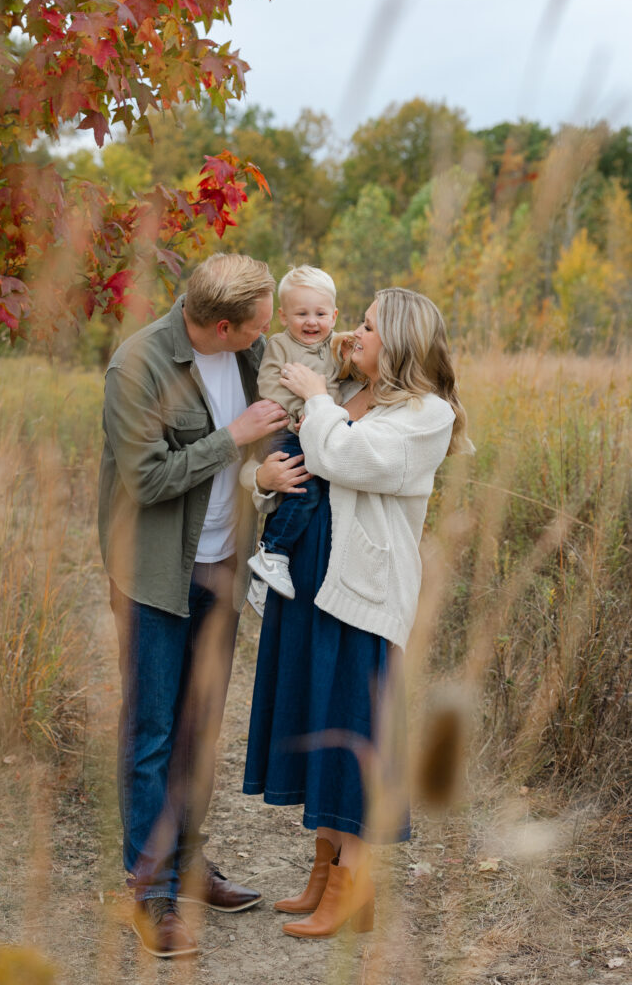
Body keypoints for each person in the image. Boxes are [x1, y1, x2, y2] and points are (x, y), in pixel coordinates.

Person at [241, 287, 473, 939]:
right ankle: (323, 871)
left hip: (363, 593)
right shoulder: (353, 393)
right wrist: (323, 392)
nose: (355, 333)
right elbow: (302, 451)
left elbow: (341, 457)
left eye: (368, 326)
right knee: (322, 720)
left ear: (396, 341)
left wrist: (317, 396)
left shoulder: (426, 413)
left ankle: (354, 889)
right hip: (316, 582)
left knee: (353, 727)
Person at [98, 253, 290, 959]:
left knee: (200, 728)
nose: (264, 338)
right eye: (256, 327)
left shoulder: (252, 355)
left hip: (223, 569)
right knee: (151, 731)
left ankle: (188, 863)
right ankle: (150, 892)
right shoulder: (137, 366)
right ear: (218, 324)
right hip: (153, 574)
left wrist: (262, 469)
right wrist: (232, 440)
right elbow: (147, 480)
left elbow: (282, 409)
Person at [247, 265, 343, 603]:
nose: (311, 322)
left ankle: (262, 577)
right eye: (301, 313)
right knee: (304, 489)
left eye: (320, 313)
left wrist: (325, 411)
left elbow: (342, 384)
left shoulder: (338, 346)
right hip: (288, 431)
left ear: (334, 315)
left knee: (316, 493)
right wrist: (300, 413)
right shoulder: (279, 345)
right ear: (284, 316)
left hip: (320, 429)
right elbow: (271, 384)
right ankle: (272, 552)